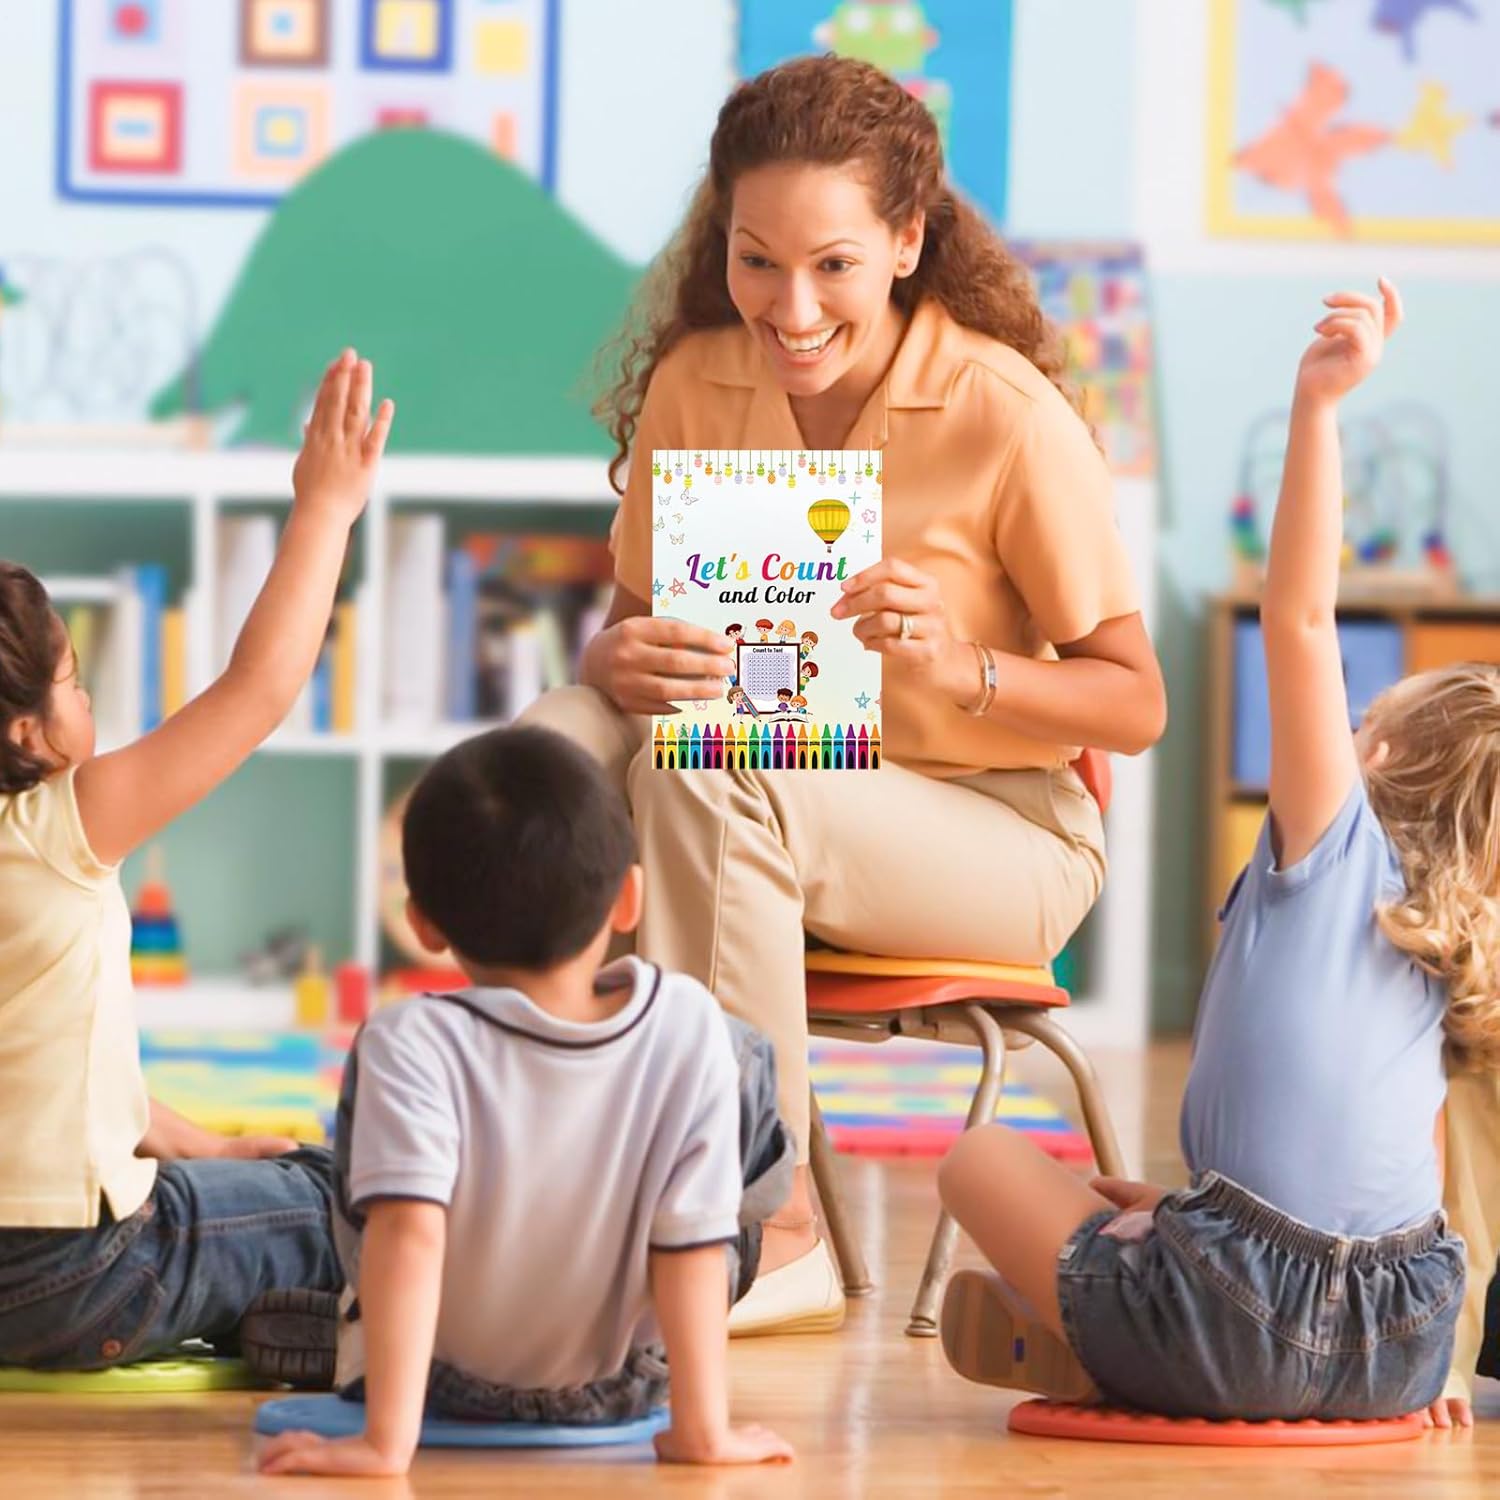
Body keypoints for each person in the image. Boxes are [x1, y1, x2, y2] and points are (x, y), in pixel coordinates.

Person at [522, 55, 1164, 1334]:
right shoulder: (696, 383)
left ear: (907, 242)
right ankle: (533, 1177)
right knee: (553, 748)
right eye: (758, 260)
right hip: (759, 803)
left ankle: (772, 1227)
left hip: (1001, 830)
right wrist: (609, 664)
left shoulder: (1002, 415)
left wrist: (965, 667)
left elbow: (1134, 703)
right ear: (722, 239)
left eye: (834, 265)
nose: (793, 306)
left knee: (714, 770)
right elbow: (630, 635)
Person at [939, 281, 1489, 1427]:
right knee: (1135, 1201)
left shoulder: (1337, 845)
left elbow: (1299, 618)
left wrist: (1317, 407)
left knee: (978, 1159)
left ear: (1381, 753)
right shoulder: (1458, 935)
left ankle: (1110, 1341)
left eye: (1363, 720)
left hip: (1241, 1311)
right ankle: (1143, 1291)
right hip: (1402, 1337)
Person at [258, 727, 795, 1477]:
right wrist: (704, 1434)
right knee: (740, 1063)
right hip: (623, 1388)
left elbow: (408, 1235)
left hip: (444, 1382)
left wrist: (385, 1445)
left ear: (422, 924)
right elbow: (693, 1244)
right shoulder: (689, 1026)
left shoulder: (406, 1041)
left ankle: (355, 1335)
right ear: (629, 899)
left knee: (385, 1170)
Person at [0, 352, 392, 1373]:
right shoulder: (57, 827)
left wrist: (208, 1146)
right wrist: (326, 509)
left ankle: (285, 1312)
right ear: (29, 733)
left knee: (237, 1185)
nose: (88, 701)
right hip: (81, 1274)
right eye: (74, 683)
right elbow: (257, 691)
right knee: (353, 1191)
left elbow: (51, 1084)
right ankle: (365, 1330)